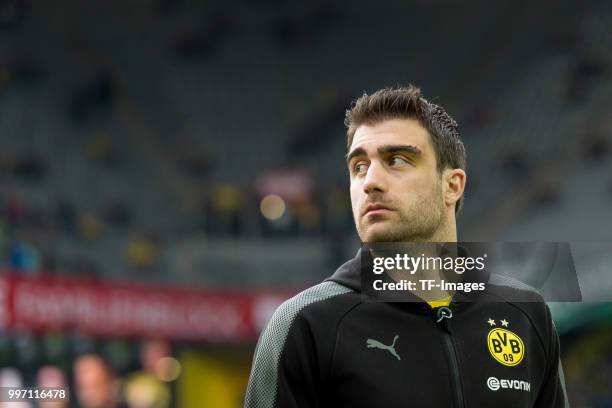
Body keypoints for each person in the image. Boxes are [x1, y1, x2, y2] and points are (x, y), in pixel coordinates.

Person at [244, 86, 569, 407]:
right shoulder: (305, 325)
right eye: (359, 166)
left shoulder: (526, 313)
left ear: (452, 185)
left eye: (396, 160)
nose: (369, 181)